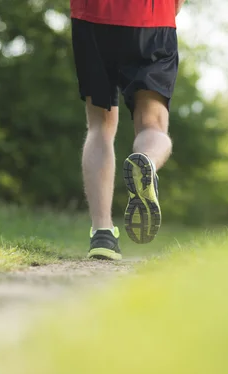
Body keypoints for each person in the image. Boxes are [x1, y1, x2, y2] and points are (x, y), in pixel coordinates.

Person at [70, 0, 186, 260]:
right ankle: (146, 162)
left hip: (92, 18)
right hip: (153, 17)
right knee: (152, 125)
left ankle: (102, 233)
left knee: (100, 126)